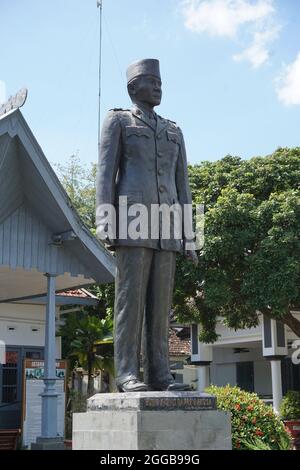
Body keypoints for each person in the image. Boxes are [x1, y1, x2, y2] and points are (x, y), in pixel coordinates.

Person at [96, 59, 198, 392]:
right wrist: (105, 222)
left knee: (161, 306)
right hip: (132, 221)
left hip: (168, 225)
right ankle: (127, 372)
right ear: (132, 88)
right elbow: (105, 176)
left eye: (160, 82)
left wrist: (190, 236)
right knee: (130, 301)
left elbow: (183, 185)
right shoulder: (118, 121)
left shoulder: (174, 130)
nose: (158, 87)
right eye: (150, 81)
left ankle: (160, 374)